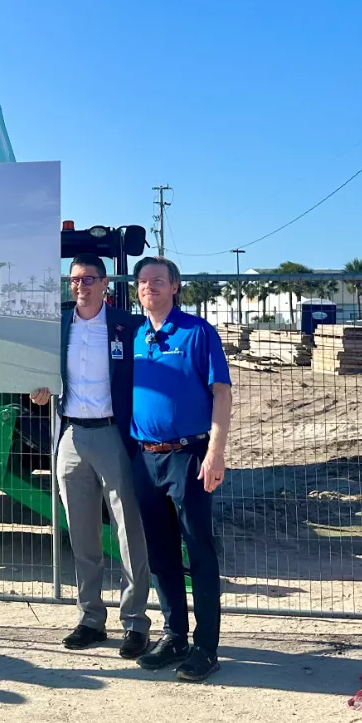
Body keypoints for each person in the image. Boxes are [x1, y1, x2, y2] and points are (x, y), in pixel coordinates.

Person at [30, 254, 151, 659]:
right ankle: (90, 619)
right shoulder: (57, 327)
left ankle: (135, 623)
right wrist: (38, 390)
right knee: (81, 535)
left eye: (88, 279)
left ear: (105, 284)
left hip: (114, 434)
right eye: (75, 280)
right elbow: (40, 376)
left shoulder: (127, 327)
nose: (80, 286)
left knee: (128, 532)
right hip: (71, 436)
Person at [129, 257, 232, 682]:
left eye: (157, 280)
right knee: (161, 554)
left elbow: (221, 393)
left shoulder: (197, 332)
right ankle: (175, 635)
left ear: (175, 287)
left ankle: (206, 648)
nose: (148, 287)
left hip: (189, 457)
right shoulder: (134, 335)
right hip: (144, 458)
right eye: (142, 281)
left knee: (199, 552)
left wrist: (216, 452)